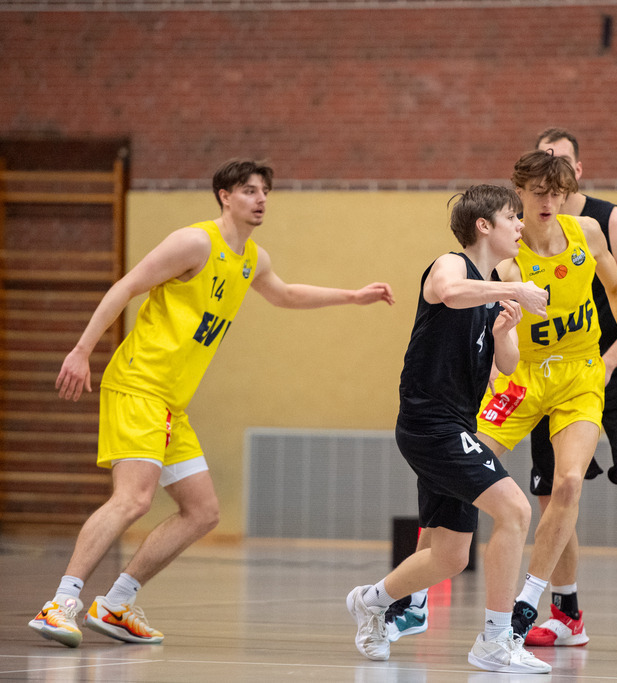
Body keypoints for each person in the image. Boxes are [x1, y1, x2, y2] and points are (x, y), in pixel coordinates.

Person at [28, 158, 395, 648]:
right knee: (133, 499)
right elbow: (127, 286)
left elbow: (284, 295)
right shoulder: (194, 242)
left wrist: (351, 297)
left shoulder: (252, 259)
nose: (260, 198)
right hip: (138, 383)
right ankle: (62, 603)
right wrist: (81, 350)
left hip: (171, 403)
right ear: (225, 196)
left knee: (202, 511)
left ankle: (115, 604)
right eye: (248, 190)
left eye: (265, 190)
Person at [345, 185, 552, 674]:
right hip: (430, 423)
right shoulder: (453, 265)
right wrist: (512, 289)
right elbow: (448, 293)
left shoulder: (488, 288)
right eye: (512, 216)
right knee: (517, 511)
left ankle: (371, 601)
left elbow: (506, 366)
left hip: (454, 423)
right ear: (484, 226)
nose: (521, 225)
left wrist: (504, 331)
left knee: (451, 555)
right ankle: (495, 641)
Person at [475, 150, 617, 640]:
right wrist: (506, 322)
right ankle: (417, 590)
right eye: (538, 193)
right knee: (462, 463)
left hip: (579, 374)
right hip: (523, 375)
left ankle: (531, 601)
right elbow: (499, 307)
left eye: (556, 192)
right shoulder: (507, 253)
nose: (548, 201)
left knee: (569, 482)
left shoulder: (586, 233)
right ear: (521, 195)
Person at [524, 128, 617, 648]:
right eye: (542, 163)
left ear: (578, 171)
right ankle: (566, 615)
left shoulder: (607, 221)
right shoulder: (524, 230)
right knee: (552, 489)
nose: (551, 174)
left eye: (560, 163)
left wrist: (615, 359)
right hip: (556, 372)